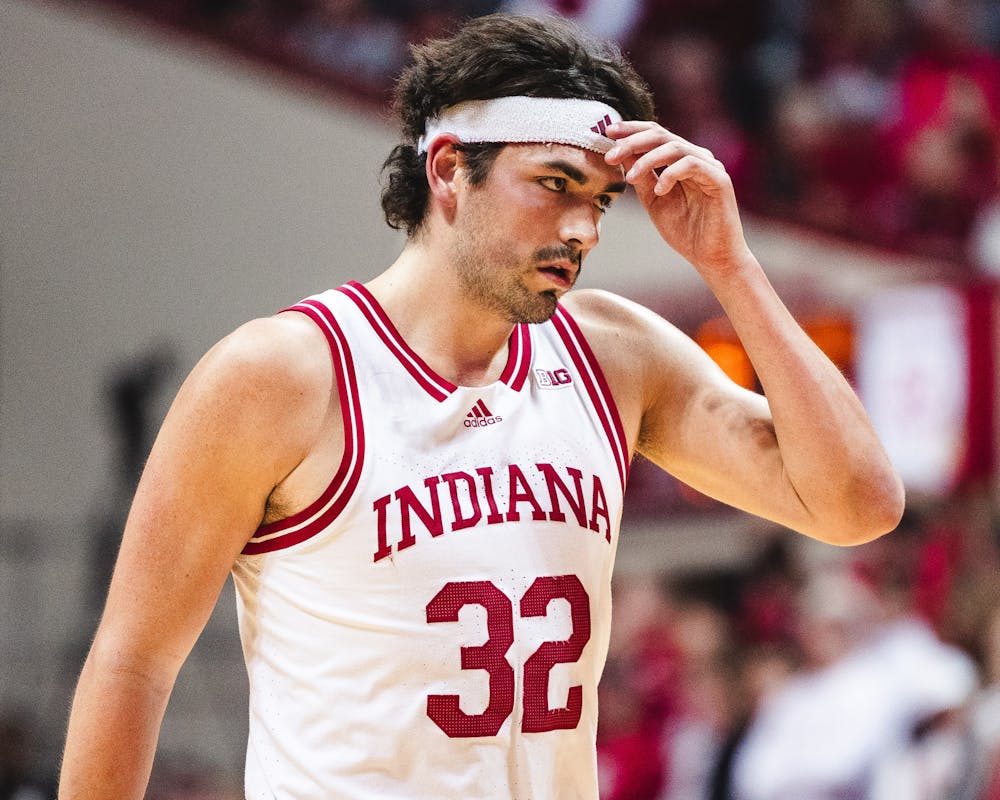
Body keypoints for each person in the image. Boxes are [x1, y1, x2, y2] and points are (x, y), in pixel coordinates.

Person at [58, 13, 905, 799]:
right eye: (556, 183)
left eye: (600, 199)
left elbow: (858, 505)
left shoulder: (615, 355)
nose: (584, 229)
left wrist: (732, 266)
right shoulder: (281, 374)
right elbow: (133, 664)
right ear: (448, 171)